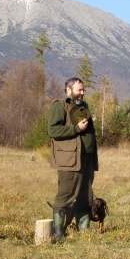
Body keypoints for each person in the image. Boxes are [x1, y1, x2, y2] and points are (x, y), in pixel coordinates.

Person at [47, 77, 98, 239]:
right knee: (65, 194)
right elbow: (53, 131)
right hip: (68, 160)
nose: (82, 93)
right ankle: (59, 233)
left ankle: (84, 232)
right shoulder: (59, 106)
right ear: (68, 91)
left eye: (83, 90)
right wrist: (76, 129)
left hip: (86, 159)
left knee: (85, 195)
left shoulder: (84, 106)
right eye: (79, 90)